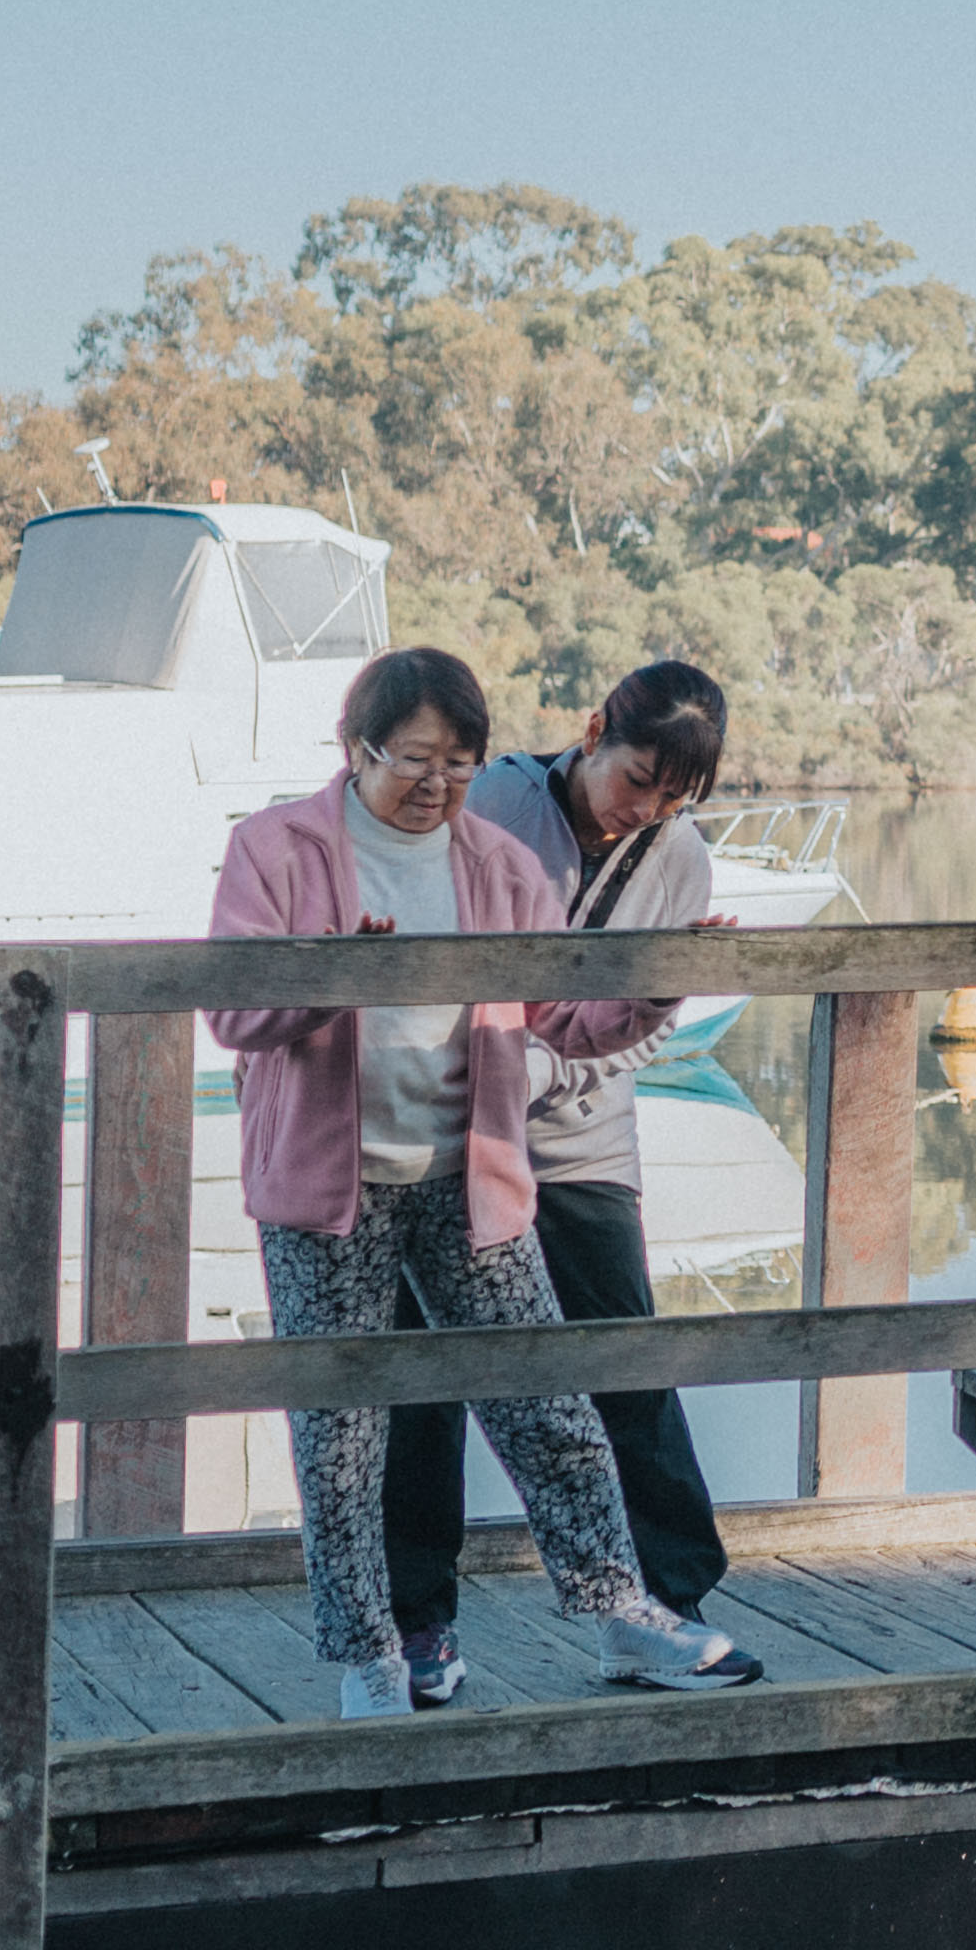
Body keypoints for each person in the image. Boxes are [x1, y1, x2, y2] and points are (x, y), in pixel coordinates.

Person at [206, 647, 760, 1717]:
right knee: (341, 1441)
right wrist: (333, 975)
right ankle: (373, 1656)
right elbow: (232, 1012)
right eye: (415, 759)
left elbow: (564, 1019)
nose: (438, 783)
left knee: (551, 1404)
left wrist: (658, 989)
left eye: (458, 763)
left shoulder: (498, 864)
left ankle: (624, 1613)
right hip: (329, 1191)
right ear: (357, 747)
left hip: (472, 1179)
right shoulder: (274, 847)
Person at [376, 657, 740, 1709]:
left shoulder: (679, 858)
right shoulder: (491, 802)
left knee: (623, 1358)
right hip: (448, 1134)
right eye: (638, 779)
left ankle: (667, 1600)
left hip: (582, 1138)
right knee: (422, 1377)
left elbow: (649, 1022)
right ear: (590, 734)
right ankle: (418, 1619)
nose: (646, 810)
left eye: (673, 798)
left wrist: (550, 1071)